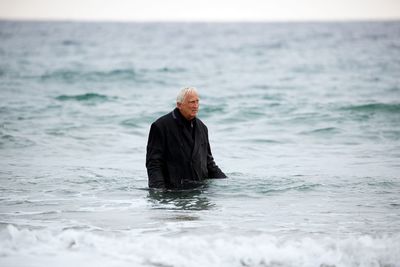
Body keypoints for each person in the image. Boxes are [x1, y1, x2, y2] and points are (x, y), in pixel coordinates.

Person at [146, 87, 227, 189]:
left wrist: (227, 184)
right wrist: (158, 192)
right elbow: (154, 163)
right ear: (179, 105)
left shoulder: (202, 128)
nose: (196, 106)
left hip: (199, 193)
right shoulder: (160, 126)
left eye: (197, 102)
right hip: (173, 193)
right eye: (191, 102)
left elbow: (209, 163)